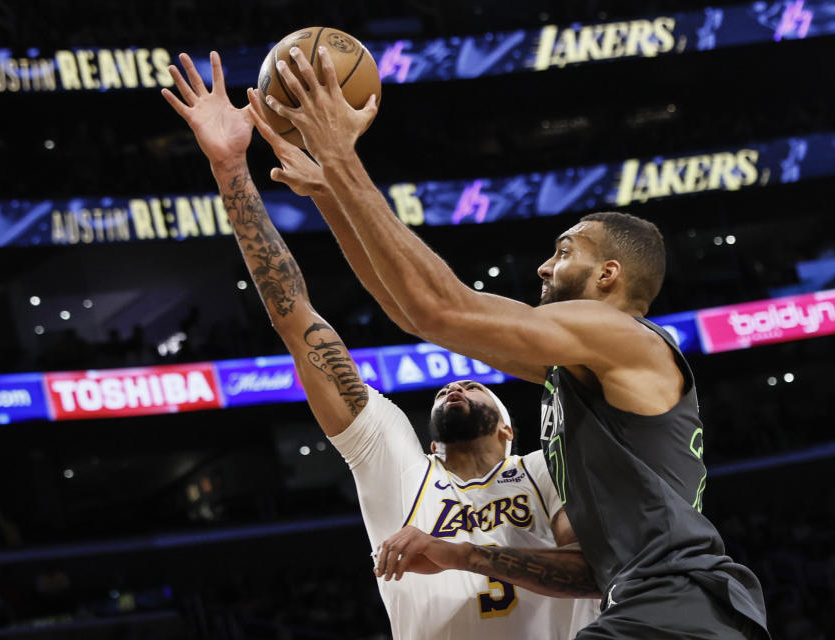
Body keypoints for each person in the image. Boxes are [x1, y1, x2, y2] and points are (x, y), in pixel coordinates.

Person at [253, 45, 771, 638]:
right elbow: (416, 317)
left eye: (565, 250)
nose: (545, 269)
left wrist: (344, 160)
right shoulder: (576, 369)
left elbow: (440, 304)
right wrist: (331, 194)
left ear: (610, 275)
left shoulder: (620, 335)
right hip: (656, 606)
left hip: (674, 604)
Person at [161, 51, 599, 640]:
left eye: (476, 385)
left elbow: (592, 574)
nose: (456, 384)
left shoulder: (550, 467)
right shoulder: (393, 460)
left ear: (509, 429)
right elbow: (297, 320)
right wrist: (231, 170)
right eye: (455, 383)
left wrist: (459, 553)